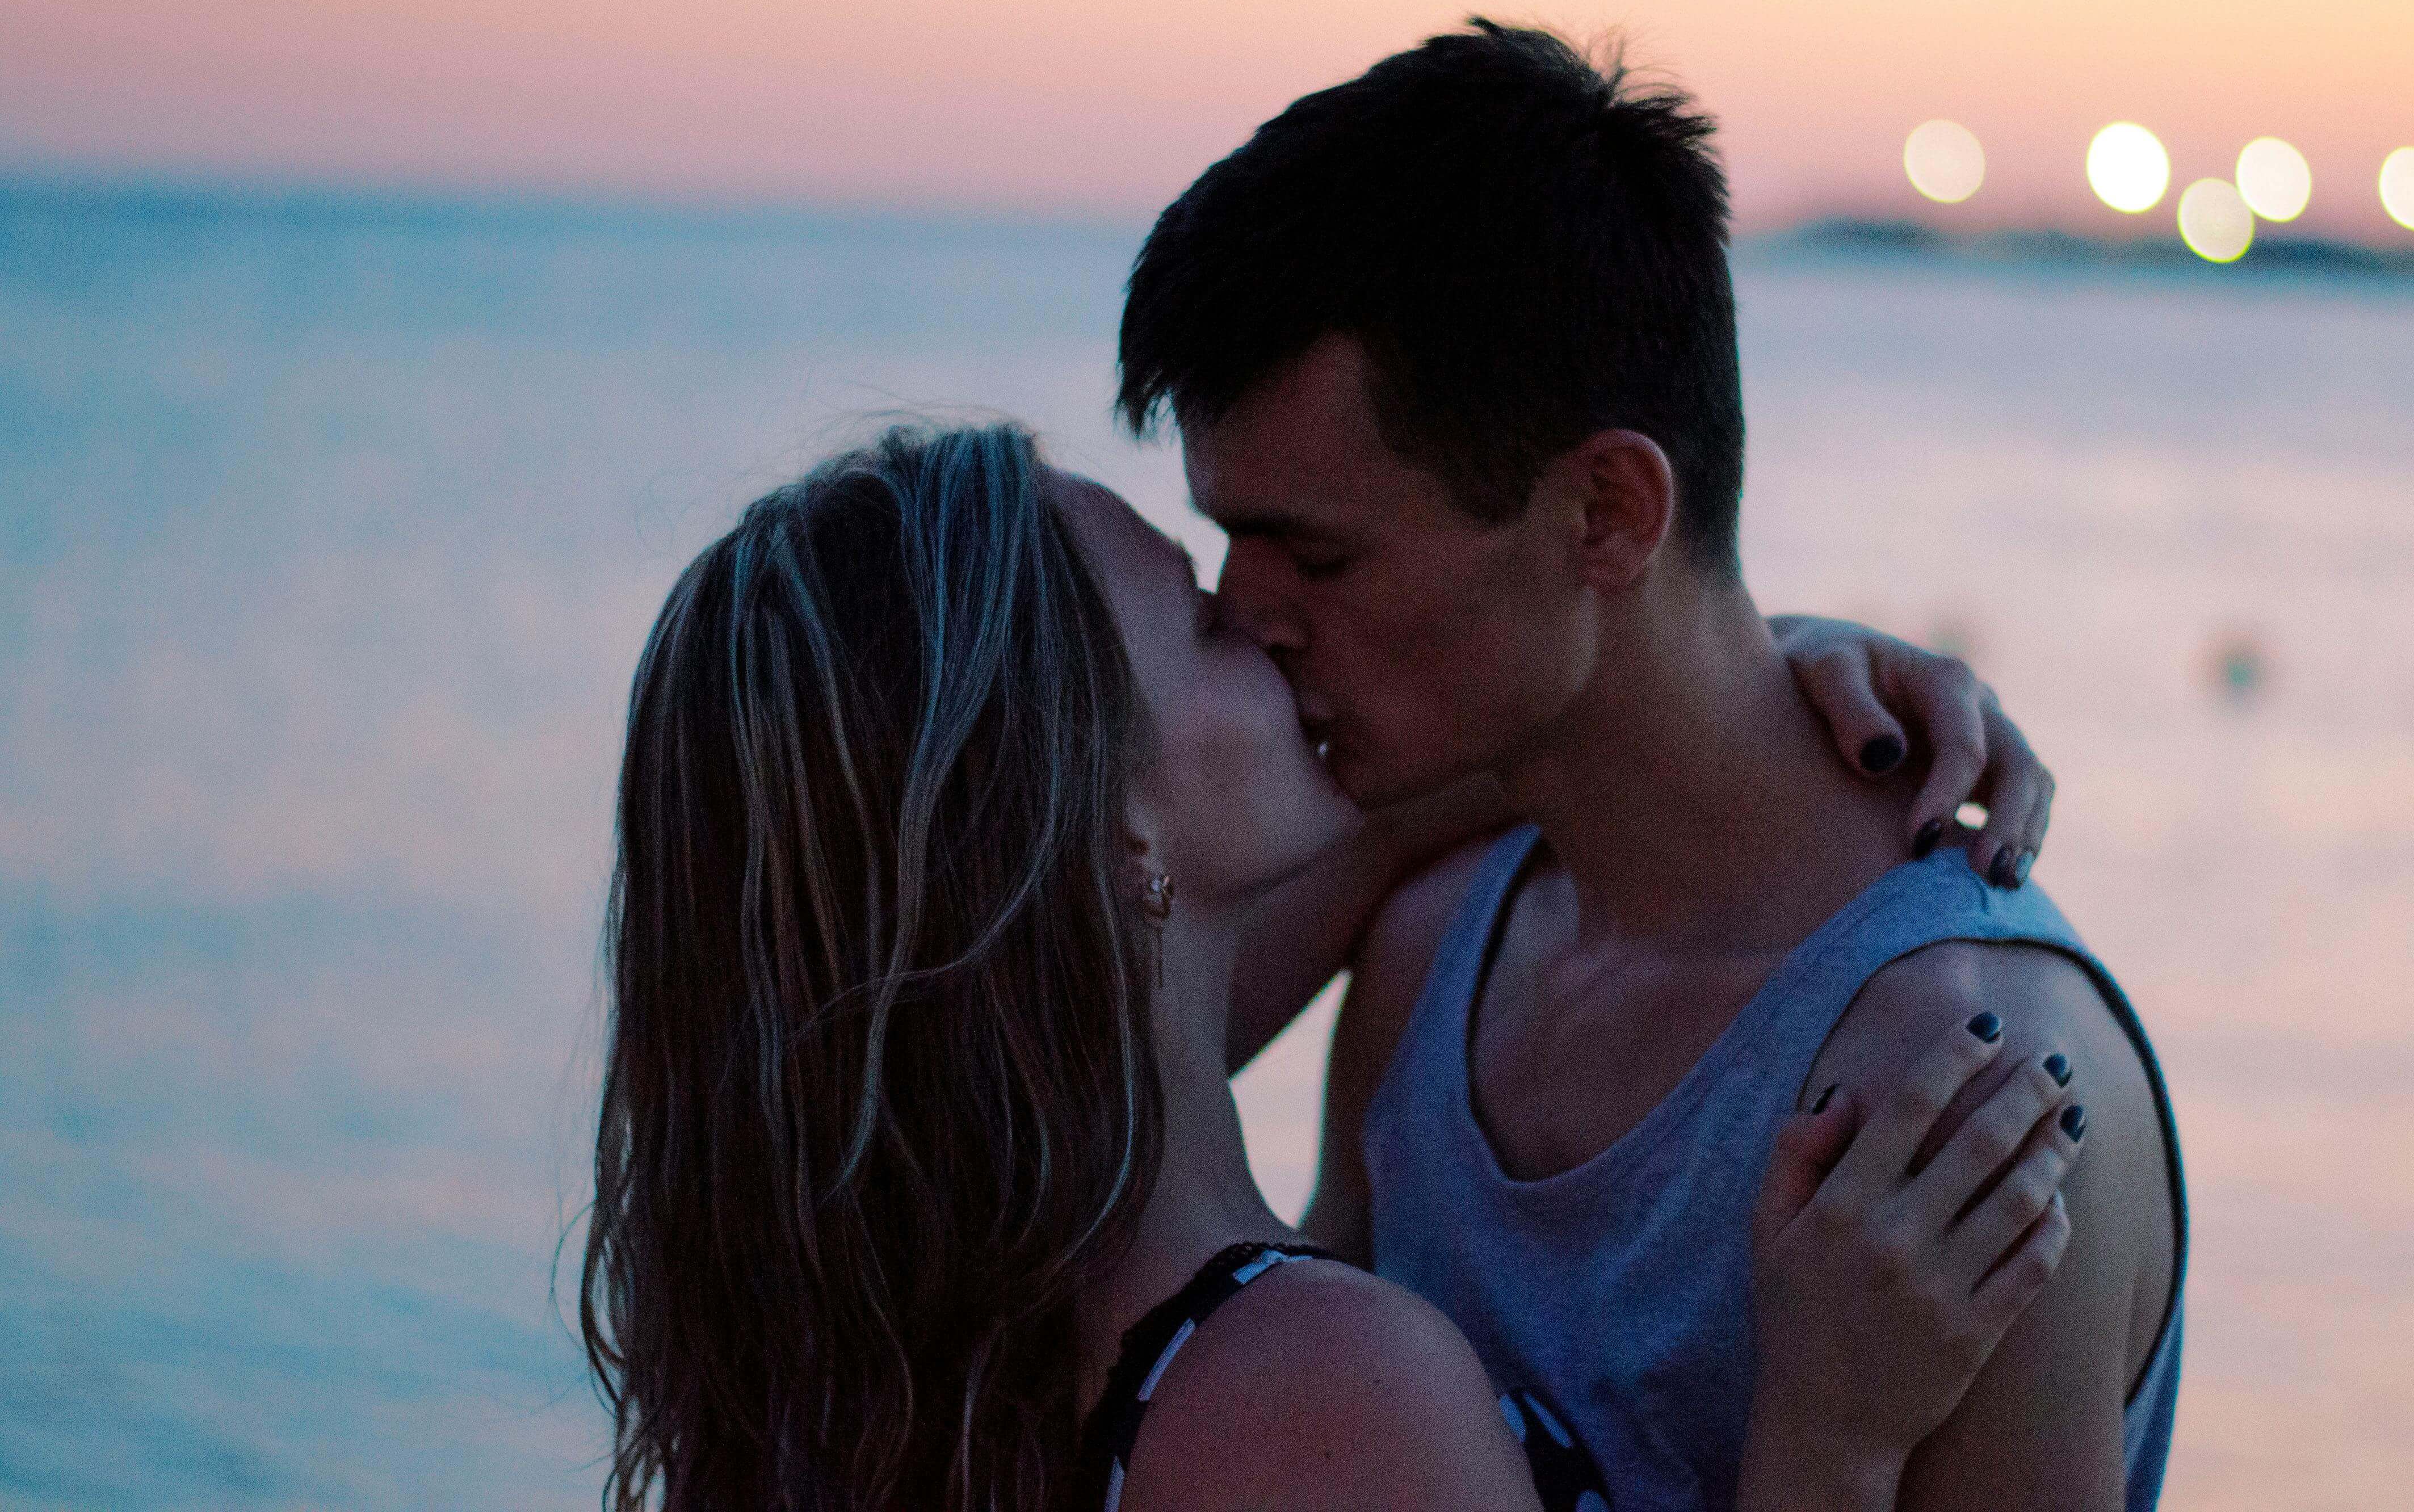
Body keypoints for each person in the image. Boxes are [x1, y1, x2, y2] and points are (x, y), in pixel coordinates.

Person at [581, 422, 2095, 1512]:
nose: (1267, 623)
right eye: (1201, 620)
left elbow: (1411, 802)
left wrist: (1722, 691)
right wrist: (1827, 1437)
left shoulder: (936, 1341)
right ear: (1113, 843)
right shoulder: (1311, 1401)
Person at [1118, 21, 2187, 1511]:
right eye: (1232, 540)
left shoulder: (1960, 1082)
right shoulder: (1434, 957)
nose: (1241, 616)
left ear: (1610, 513)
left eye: (1319, 554)